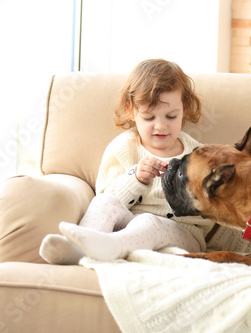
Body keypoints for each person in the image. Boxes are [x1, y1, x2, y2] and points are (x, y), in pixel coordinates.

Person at [39, 59, 214, 264]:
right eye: (149, 118)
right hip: (127, 229)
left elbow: (210, 211)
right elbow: (105, 197)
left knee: (147, 222)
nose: (161, 126)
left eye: (171, 116)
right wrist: (136, 179)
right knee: (105, 203)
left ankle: (108, 248)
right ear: (131, 110)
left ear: (183, 109)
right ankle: (78, 251)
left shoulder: (197, 154)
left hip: (183, 236)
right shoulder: (123, 148)